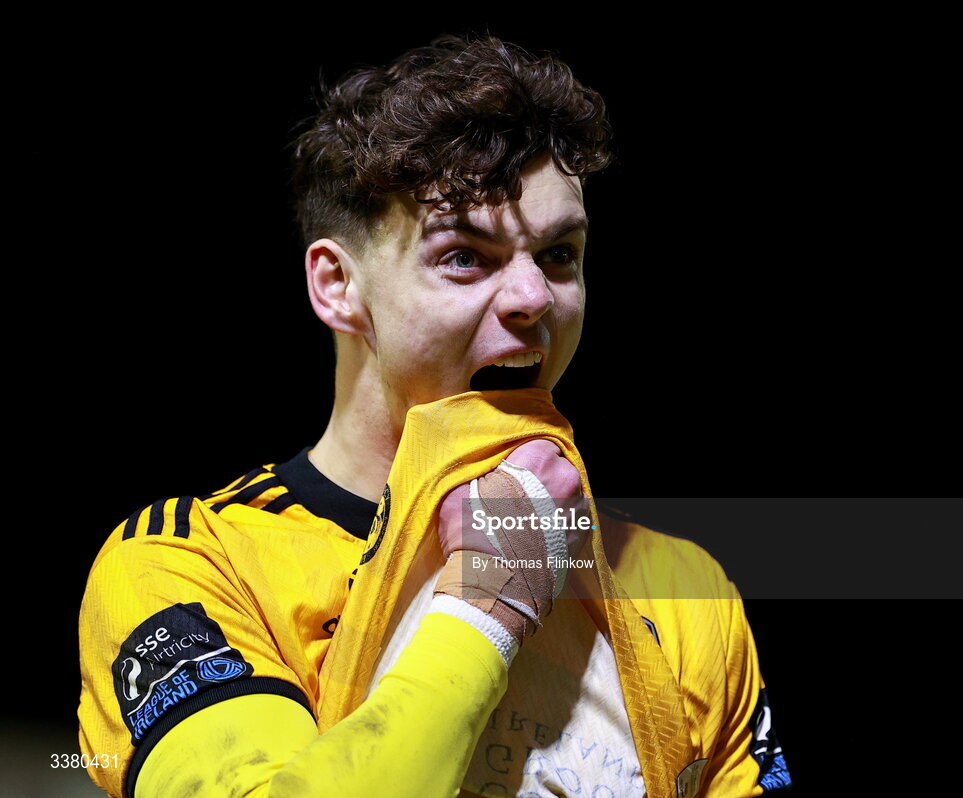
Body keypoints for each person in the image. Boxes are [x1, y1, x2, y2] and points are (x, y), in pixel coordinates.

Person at [78, 34, 791, 798]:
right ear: (337, 287)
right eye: (464, 256)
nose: (534, 299)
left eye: (559, 255)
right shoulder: (185, 567)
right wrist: (490, 605)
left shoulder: (681, 585)